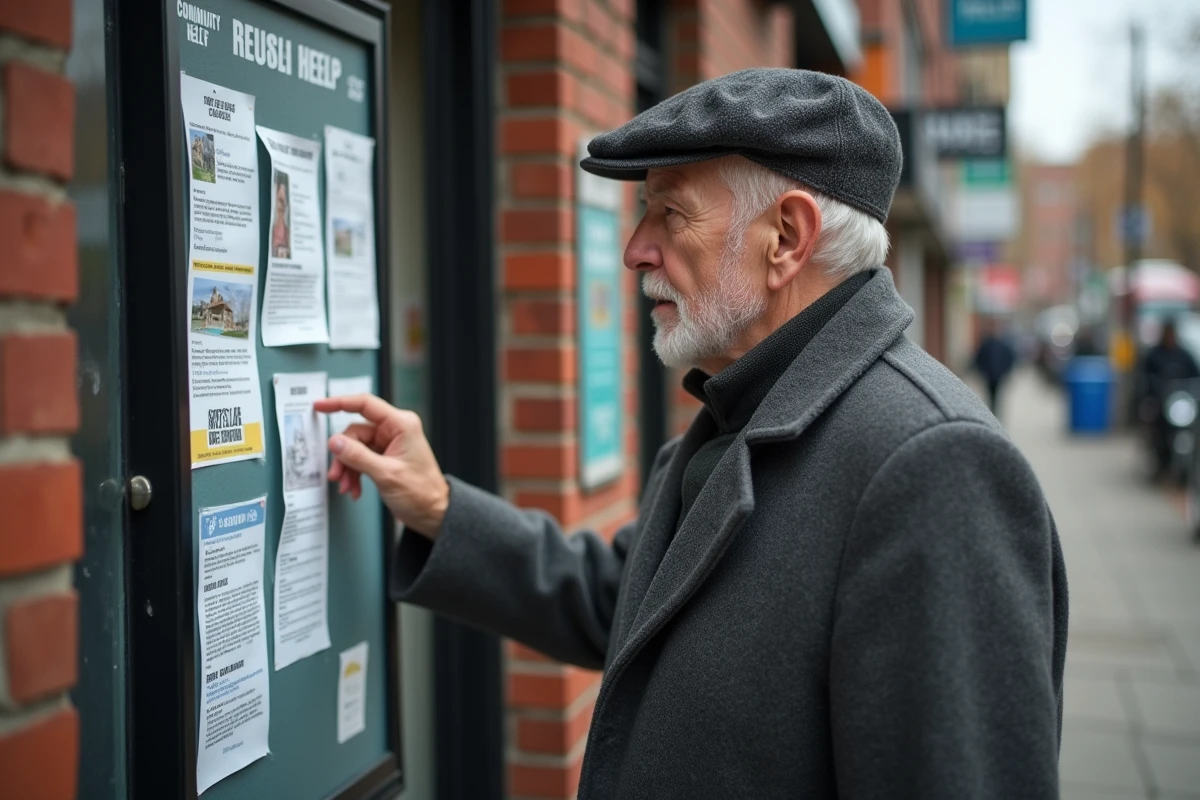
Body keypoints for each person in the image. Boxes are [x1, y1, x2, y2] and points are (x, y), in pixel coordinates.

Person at [316, 69, 1067, 799]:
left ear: (787, 237)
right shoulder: (739, 414)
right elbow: (625, 604)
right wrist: (440, 508)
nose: (635, 248)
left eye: (669, 213)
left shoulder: (931, 463)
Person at [1136, 318, 1200, 476]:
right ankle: (1159, 461)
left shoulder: (1184, 355)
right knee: (1156, 425)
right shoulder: (1154, 355)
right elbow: (1144, 378)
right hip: (1161, 401)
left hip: (1180, 402)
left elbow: (1195, 374)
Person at [973, 318, 1017, 417]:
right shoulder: (986, 344)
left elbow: (1010, 359)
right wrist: (982, 371)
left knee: (998, 396)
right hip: (989, 375)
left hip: (999, 375)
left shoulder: (1003, 344)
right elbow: (978, 359)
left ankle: (996, 414)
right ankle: (992, 413)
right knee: (989, 395)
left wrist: (1005, 372)